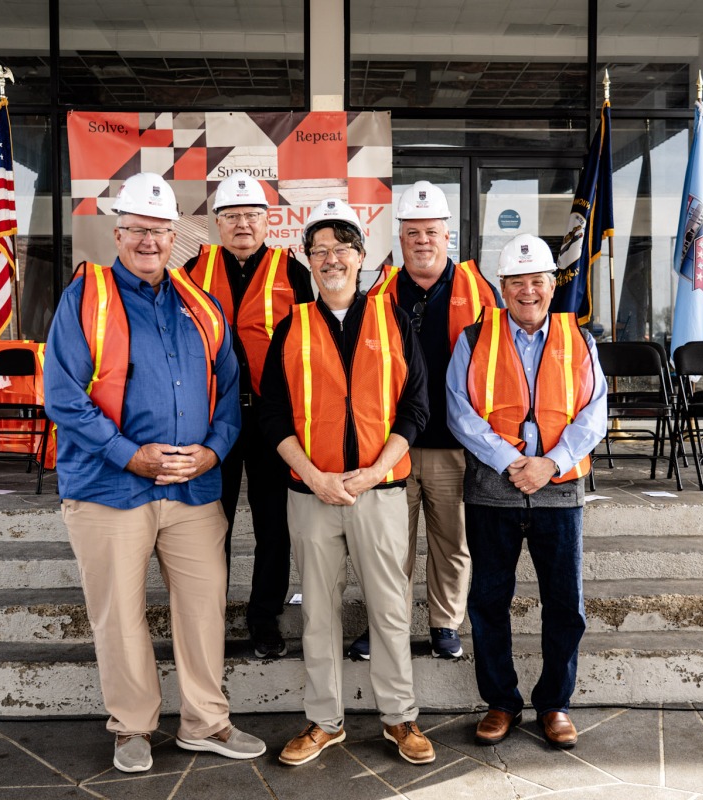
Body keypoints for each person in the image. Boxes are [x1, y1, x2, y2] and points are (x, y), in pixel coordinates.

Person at [44, 173, 265, 772]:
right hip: (110, 486)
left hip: (193, 487)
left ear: (176, 237)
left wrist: (213, 452)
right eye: (138, 230)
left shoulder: (201, 304)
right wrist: (127, 453)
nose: (149, 241)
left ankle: (205, 722)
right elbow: (63, 396)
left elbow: (229, 391)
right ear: (118, 235)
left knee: (202, 610)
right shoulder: (84, 298)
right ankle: (133, 726)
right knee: (118, 614)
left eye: (160, 231)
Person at [258, 197, 434, 767]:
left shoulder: (394, 320)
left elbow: (416, 408)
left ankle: (399, 716)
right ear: (308, 261)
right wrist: (314, 476)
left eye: (341, 248)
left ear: (361, 256)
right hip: (311, 494)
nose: (330, 259)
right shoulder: (292, 326)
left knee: (389, 609)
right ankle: (324, 721)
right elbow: (273, 416)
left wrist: (377, 471)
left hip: (379, 492)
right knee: (318, 613)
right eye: (319, 251)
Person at [446, 233, 607, 751]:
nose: (527, 291)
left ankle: (555, 705)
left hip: (559, 493)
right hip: (492, 492)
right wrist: (511, 462)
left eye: (537, 280)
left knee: (565, 605)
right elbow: (459, 411)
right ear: (502, 286)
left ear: (552, 285)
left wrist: (551, 464)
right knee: (489, 601)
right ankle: (501, 703)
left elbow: (595, 413)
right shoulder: (474, 337)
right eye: (516, 281)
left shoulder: (580, 339)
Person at [349, 181, 501, 663]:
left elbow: (498, 367)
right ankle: (384, 624)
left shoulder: (480, 291)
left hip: (454, 446)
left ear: (447, 235)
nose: (421, 241)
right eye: (412, 232)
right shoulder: (379, 293)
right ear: (400, 237)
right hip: (392, 445)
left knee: (451, 541)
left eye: (431, 232)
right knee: (389, 545)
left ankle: (444, 624)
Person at [184, 172, 314, 659]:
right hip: (210, 422)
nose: (242, 224)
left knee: (272, 527)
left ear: (267, 221)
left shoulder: (293, 272)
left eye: (252, 216)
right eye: (232, 216)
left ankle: (264, 619)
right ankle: (208, 618)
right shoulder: (193, 270)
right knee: (207, 526)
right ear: (217, 223)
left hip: (270, 421)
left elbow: (310, 345)